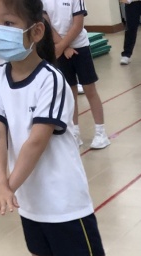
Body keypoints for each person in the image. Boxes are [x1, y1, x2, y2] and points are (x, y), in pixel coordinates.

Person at [0, 0, 141, 256]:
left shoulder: (52, 80)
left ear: (36, 31)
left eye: (7, 22)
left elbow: (36, 141)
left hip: (63, 198)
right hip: (30, 199)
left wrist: (6, 186)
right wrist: (0, 182)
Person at [41, 0, 109, 149]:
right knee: (70, 93)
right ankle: (74, 132)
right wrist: (63, 48)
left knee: (90, 90)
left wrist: (63, 45)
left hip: (80, 47)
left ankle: (101, 132)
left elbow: (78, 25)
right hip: (59, 48)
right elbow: (47, 24)